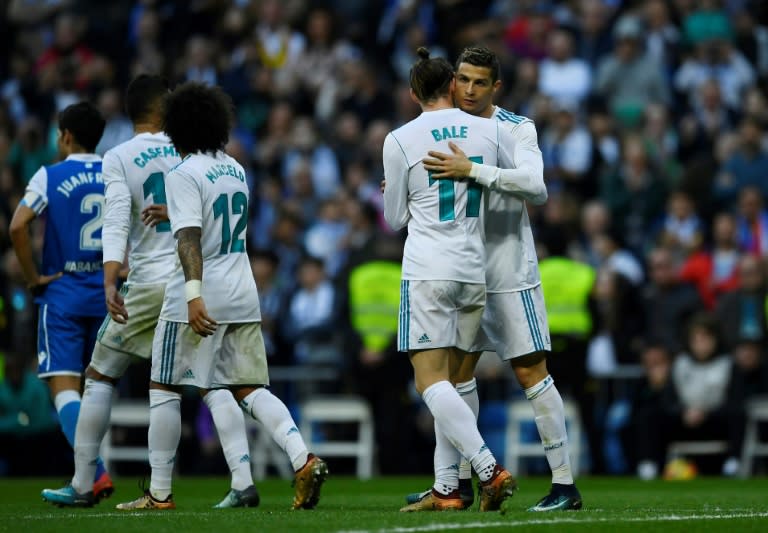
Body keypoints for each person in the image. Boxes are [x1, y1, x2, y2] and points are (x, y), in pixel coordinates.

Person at [40, 75, 263, 509]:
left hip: (148, 284)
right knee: (214, 384)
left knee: (101, 374)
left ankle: (86, 483)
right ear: (166, 109)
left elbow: (117, 220)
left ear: (130, 112)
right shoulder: (200, 152)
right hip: (196, 283)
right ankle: (242, 478)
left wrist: (109, 280)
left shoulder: (120, 156)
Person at [114, 81, 327, 511]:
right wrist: (175, 210)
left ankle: (158, 493)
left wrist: (193, 294)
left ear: (178, 127)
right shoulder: (234, 169)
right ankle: (298, 461)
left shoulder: (182, 173)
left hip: (199, 294)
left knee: (164, 386)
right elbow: (215, 215)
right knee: (245, 387)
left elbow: (191, 238)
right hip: (243, 292)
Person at [409, 46, 582, 511]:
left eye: (479, 82)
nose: (468, 89)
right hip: (461, 271)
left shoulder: (516, 127)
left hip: (507, 271)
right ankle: (455, 485)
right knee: (457, 377)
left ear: (495, 87)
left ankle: (564, 484)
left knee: (531, 372)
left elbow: (537, 187)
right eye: (461, 80)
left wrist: (473, 170)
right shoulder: (440, 130)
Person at [383, 47, 517, 513]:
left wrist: (394, 191)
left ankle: (487, 469)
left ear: (413, 92)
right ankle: (447, 490)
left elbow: (394, 218)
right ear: (454, 86)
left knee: (429, 383)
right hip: (473, 268)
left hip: (428, 268)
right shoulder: (489, 130)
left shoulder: (400, 138)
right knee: (458, 384)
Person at [8, 102, 112, 499]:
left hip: (63, 294)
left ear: (66, 136)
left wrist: (34, 278)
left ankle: (93, 471)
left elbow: (18, 224)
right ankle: (92, 478)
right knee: (99, 387)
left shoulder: (50, 175)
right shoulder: (114, 171)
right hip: (107, 295)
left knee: (64, 387)